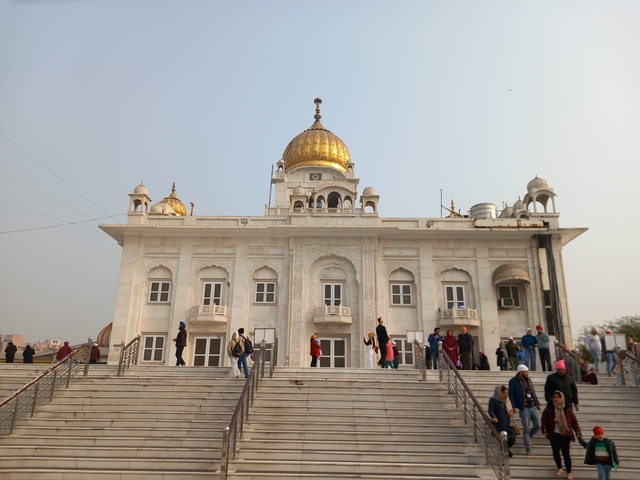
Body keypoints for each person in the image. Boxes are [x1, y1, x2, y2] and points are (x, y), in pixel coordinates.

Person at [541, 390, 582, 480]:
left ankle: (569, 472)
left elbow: (574, 422)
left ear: (562, 398)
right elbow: (543, 419)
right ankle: (559, 468)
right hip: (554, 434)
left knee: (566, 454)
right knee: (555, 452)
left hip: (565, 434)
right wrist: (545, 428)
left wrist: (578, 432)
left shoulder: (567, 409)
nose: (556, 399)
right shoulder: (549, 408)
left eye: (558, 397)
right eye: (554, 397)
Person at [508, 364, 541, 456]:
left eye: (528, 371)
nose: (527, 373)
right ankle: (528, 449)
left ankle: (528, 437)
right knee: (526, 428)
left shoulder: (529, 380)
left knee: (538, 425)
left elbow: (533, 391)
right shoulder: (513, 381)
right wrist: (514, 406)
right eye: (526, 372)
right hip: (524, 408)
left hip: (532, 406)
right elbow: (511, 395)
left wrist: (537, 403)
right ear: (520, 372)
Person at [488, 385, 516, 457]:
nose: (506, 395)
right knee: (503, 440)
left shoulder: (507, 400)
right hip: (500, 423)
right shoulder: (493, 400)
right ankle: (505, 454)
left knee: (512, 438)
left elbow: (510, 408)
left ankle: (504, 449)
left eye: (507, 393)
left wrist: (511, 411)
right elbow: (490, 410)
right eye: (504, 393)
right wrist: (493, 416)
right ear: (499, 393)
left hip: (508, 422)